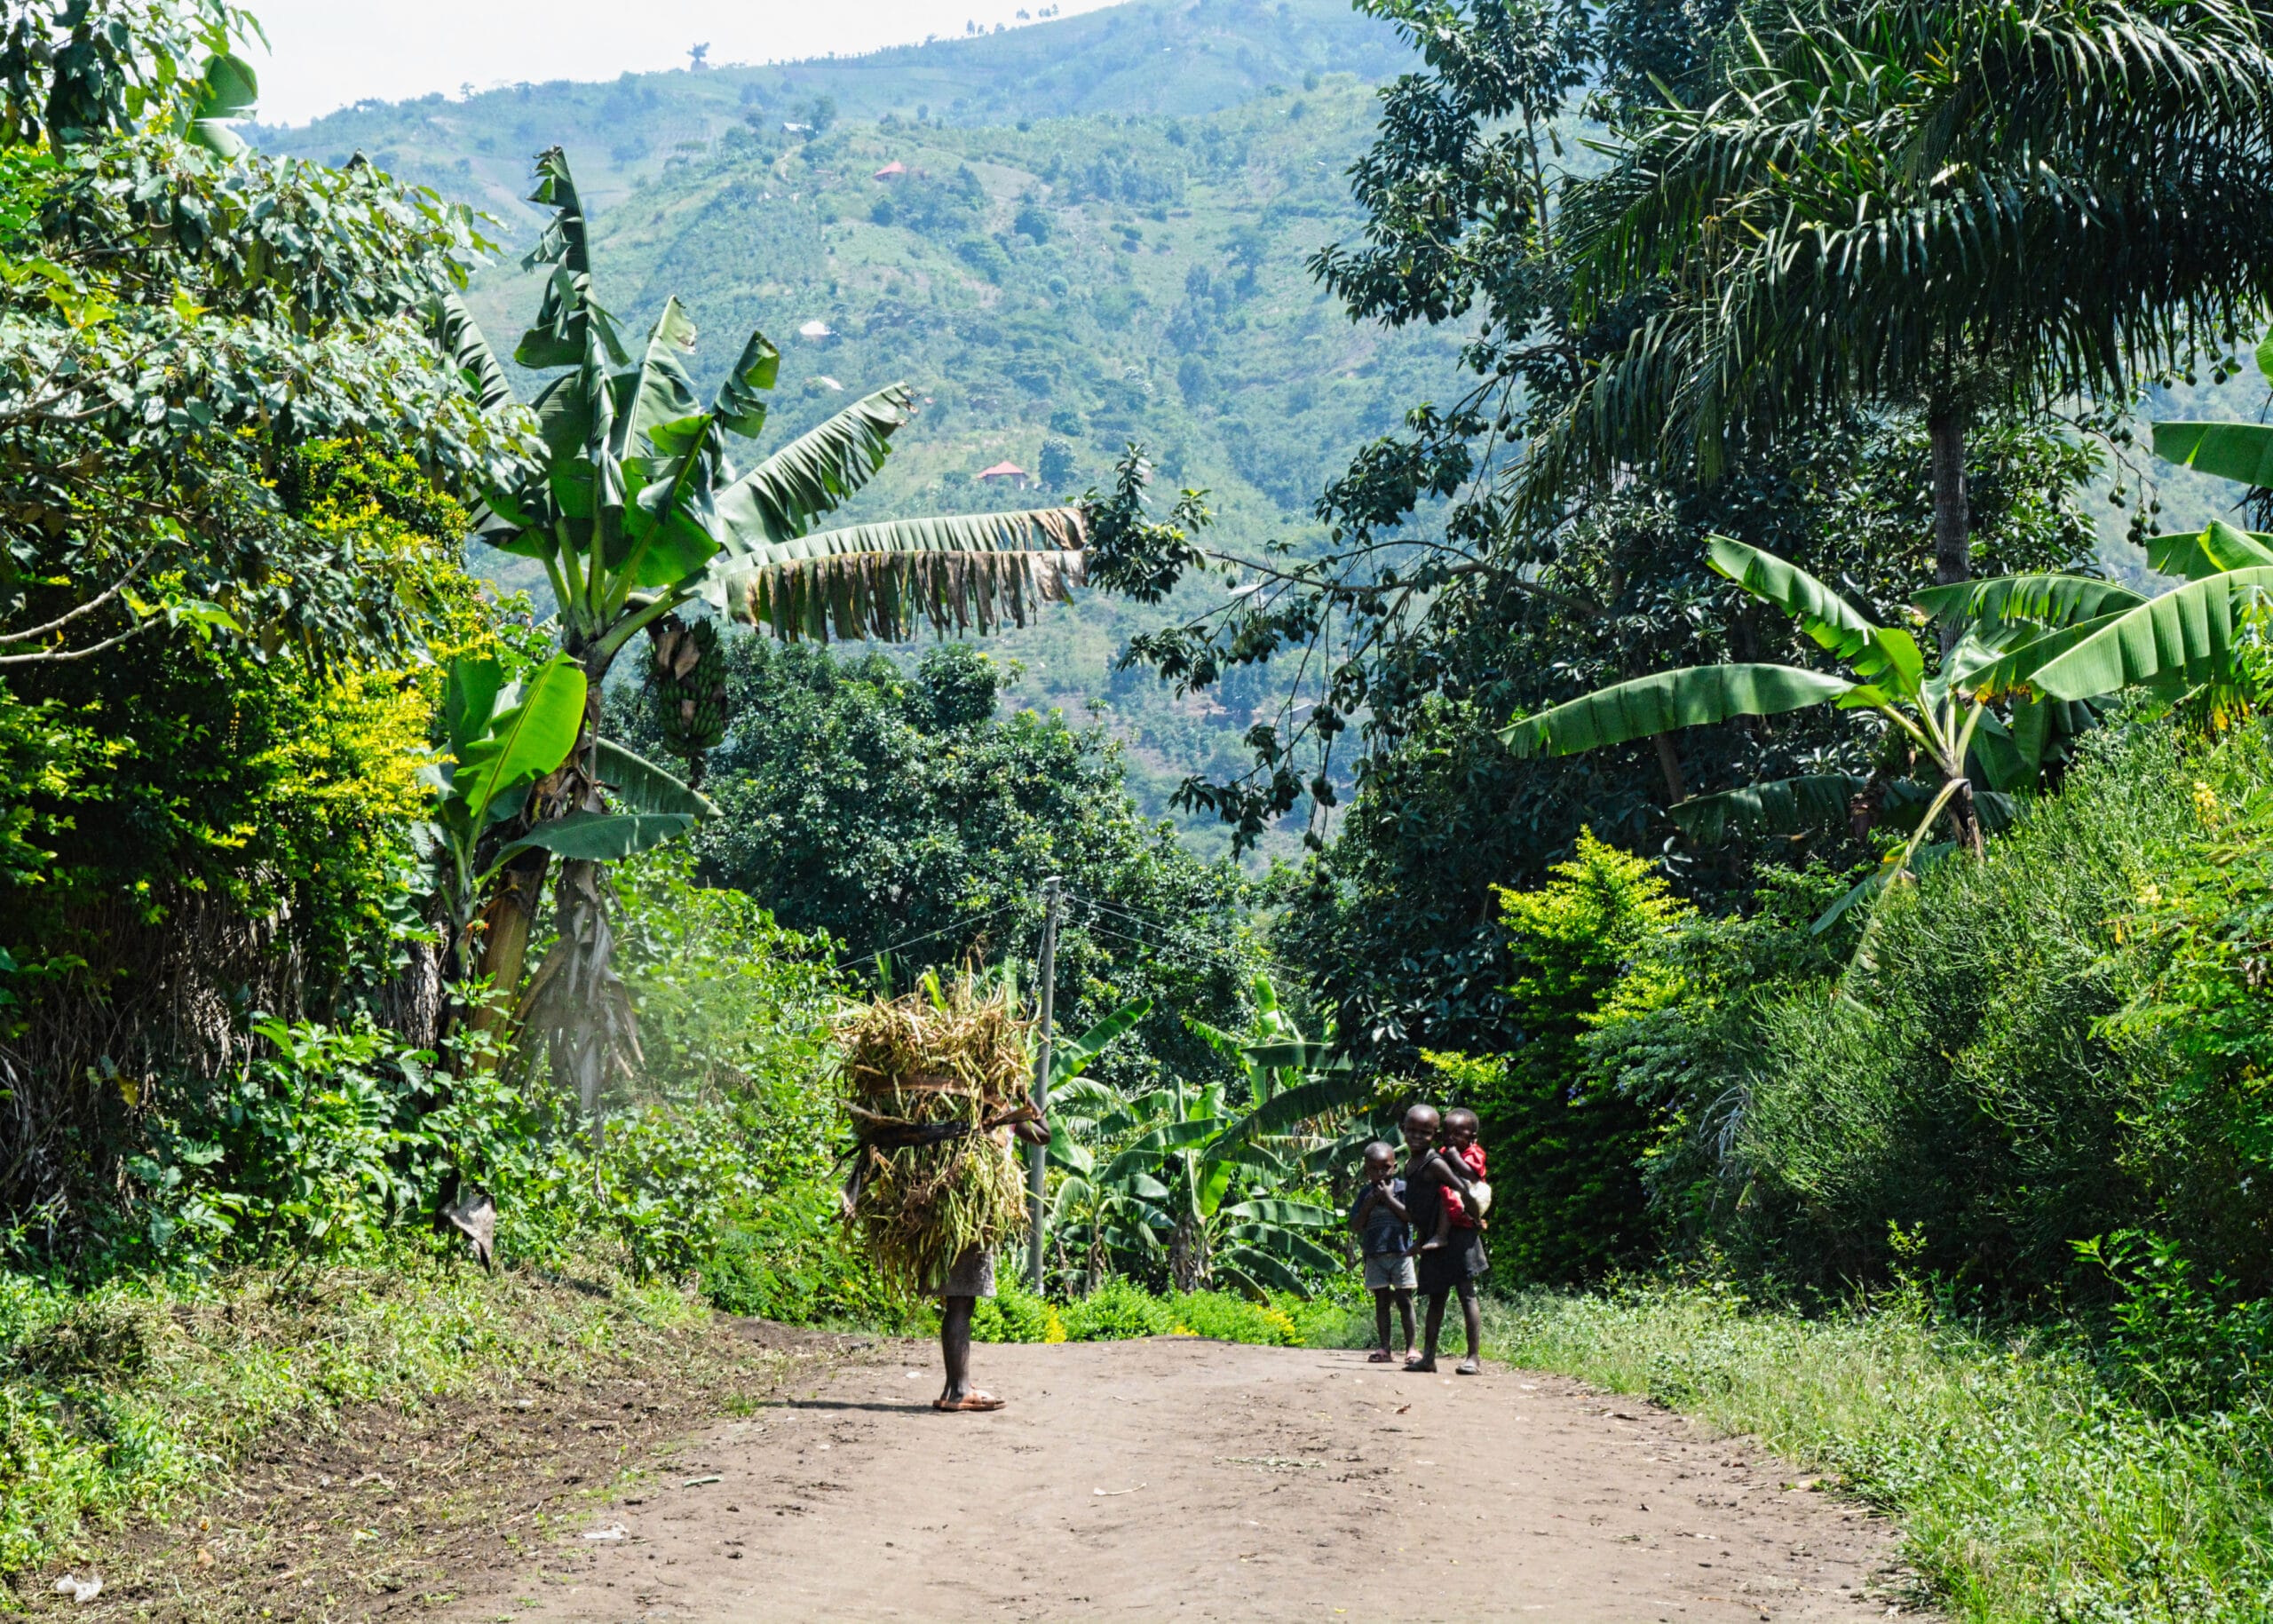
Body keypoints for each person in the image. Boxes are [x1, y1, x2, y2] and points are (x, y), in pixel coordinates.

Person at [932, 1110, 1051, 1413]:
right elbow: (1044, 1134)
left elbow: (1042, 1136)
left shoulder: (980, 1109)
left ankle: (955, 1385)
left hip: (955, 1204)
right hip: (971, 1209)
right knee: (961, 1301)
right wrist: (1028, 1100)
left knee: (960, 1301)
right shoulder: (997, 1110)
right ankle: (958, 1391)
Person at [1399, 1103, 1486, 1374]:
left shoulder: (1435, 1162)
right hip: (1433, 1236)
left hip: (1458, 1234)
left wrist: (1475, 1215)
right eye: (1410, 1130)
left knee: (1466, 1294)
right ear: (1403, 1130)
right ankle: (1429, 1358)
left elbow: (1463, 1185)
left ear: (1434, 1135)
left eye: (1423, 1133)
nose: (1415, 1137)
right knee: (1436, 1298)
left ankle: (1473, 1357)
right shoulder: (1411, 1163)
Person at [1350, 1140, 1415, 1364]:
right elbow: (1356, 1225)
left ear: (1394, 1167)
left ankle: (1411, 1348)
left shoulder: (1403, 1189)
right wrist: (1368, 1205)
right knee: (1381, 1302)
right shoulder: (1364, 1194)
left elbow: (1410, 1216)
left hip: (1401, 1252)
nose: (1380, 1173)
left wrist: (1388, 1199)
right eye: (1374, 1169)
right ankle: (1385, 1348)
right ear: (1366, 1170)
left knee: (1405, 1300)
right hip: (1375, 1254)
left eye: (1385, 1168)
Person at [1418, 1106, 1488, 1253]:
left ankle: (1441, 1235)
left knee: (1445, 1194)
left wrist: (1455, 1158)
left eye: (1457, 1134)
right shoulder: (1446, 1150)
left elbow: (1473, 1177)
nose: (1450, 1138)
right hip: (1461, 1191)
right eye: (1447, 1133)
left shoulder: (1474, 1152)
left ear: (1472, 1138)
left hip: (1475, 1191)